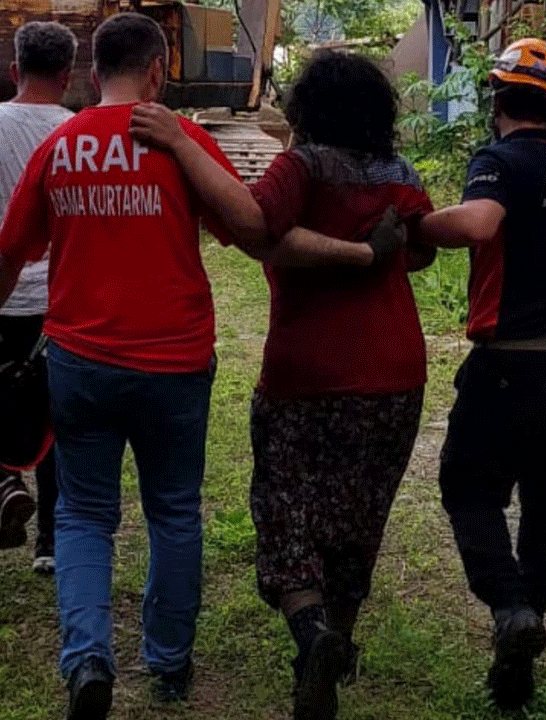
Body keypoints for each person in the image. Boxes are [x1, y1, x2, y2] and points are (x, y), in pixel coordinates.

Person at [0, 14, 373, 720]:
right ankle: (168, 665)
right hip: (173, 361)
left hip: (80, 362)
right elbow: (248, 228)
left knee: (82, 515)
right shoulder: (184, 143)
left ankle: (87, 662)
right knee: (173, 511)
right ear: (158, 69)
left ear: (92, 72)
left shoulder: (60, 145)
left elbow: (11, 251)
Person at [130, 50, 434, 720]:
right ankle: (334, 647)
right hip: (394, 375)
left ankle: (313, 632)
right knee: (359, 517)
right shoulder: (402, 175)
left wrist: (180, 141)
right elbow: (420, 249)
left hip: (307, 372)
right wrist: (368, 250)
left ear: (306, 110)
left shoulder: (300, 168)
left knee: (285, 509)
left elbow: (257, 225)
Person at [416, 38, 546, 709]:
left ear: (497, 98)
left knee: (468, 487)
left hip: (511, 365)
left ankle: (508, 608)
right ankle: (527, 629)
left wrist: (415, 225)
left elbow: (479, 224)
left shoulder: (498, 162)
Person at [0, 21, 74, 565]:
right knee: (54, 417)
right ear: (68, 76)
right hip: (57, 299)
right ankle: (50, 541)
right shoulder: (77, 133)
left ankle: (5, 485)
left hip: (2, 290)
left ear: (14, 70)